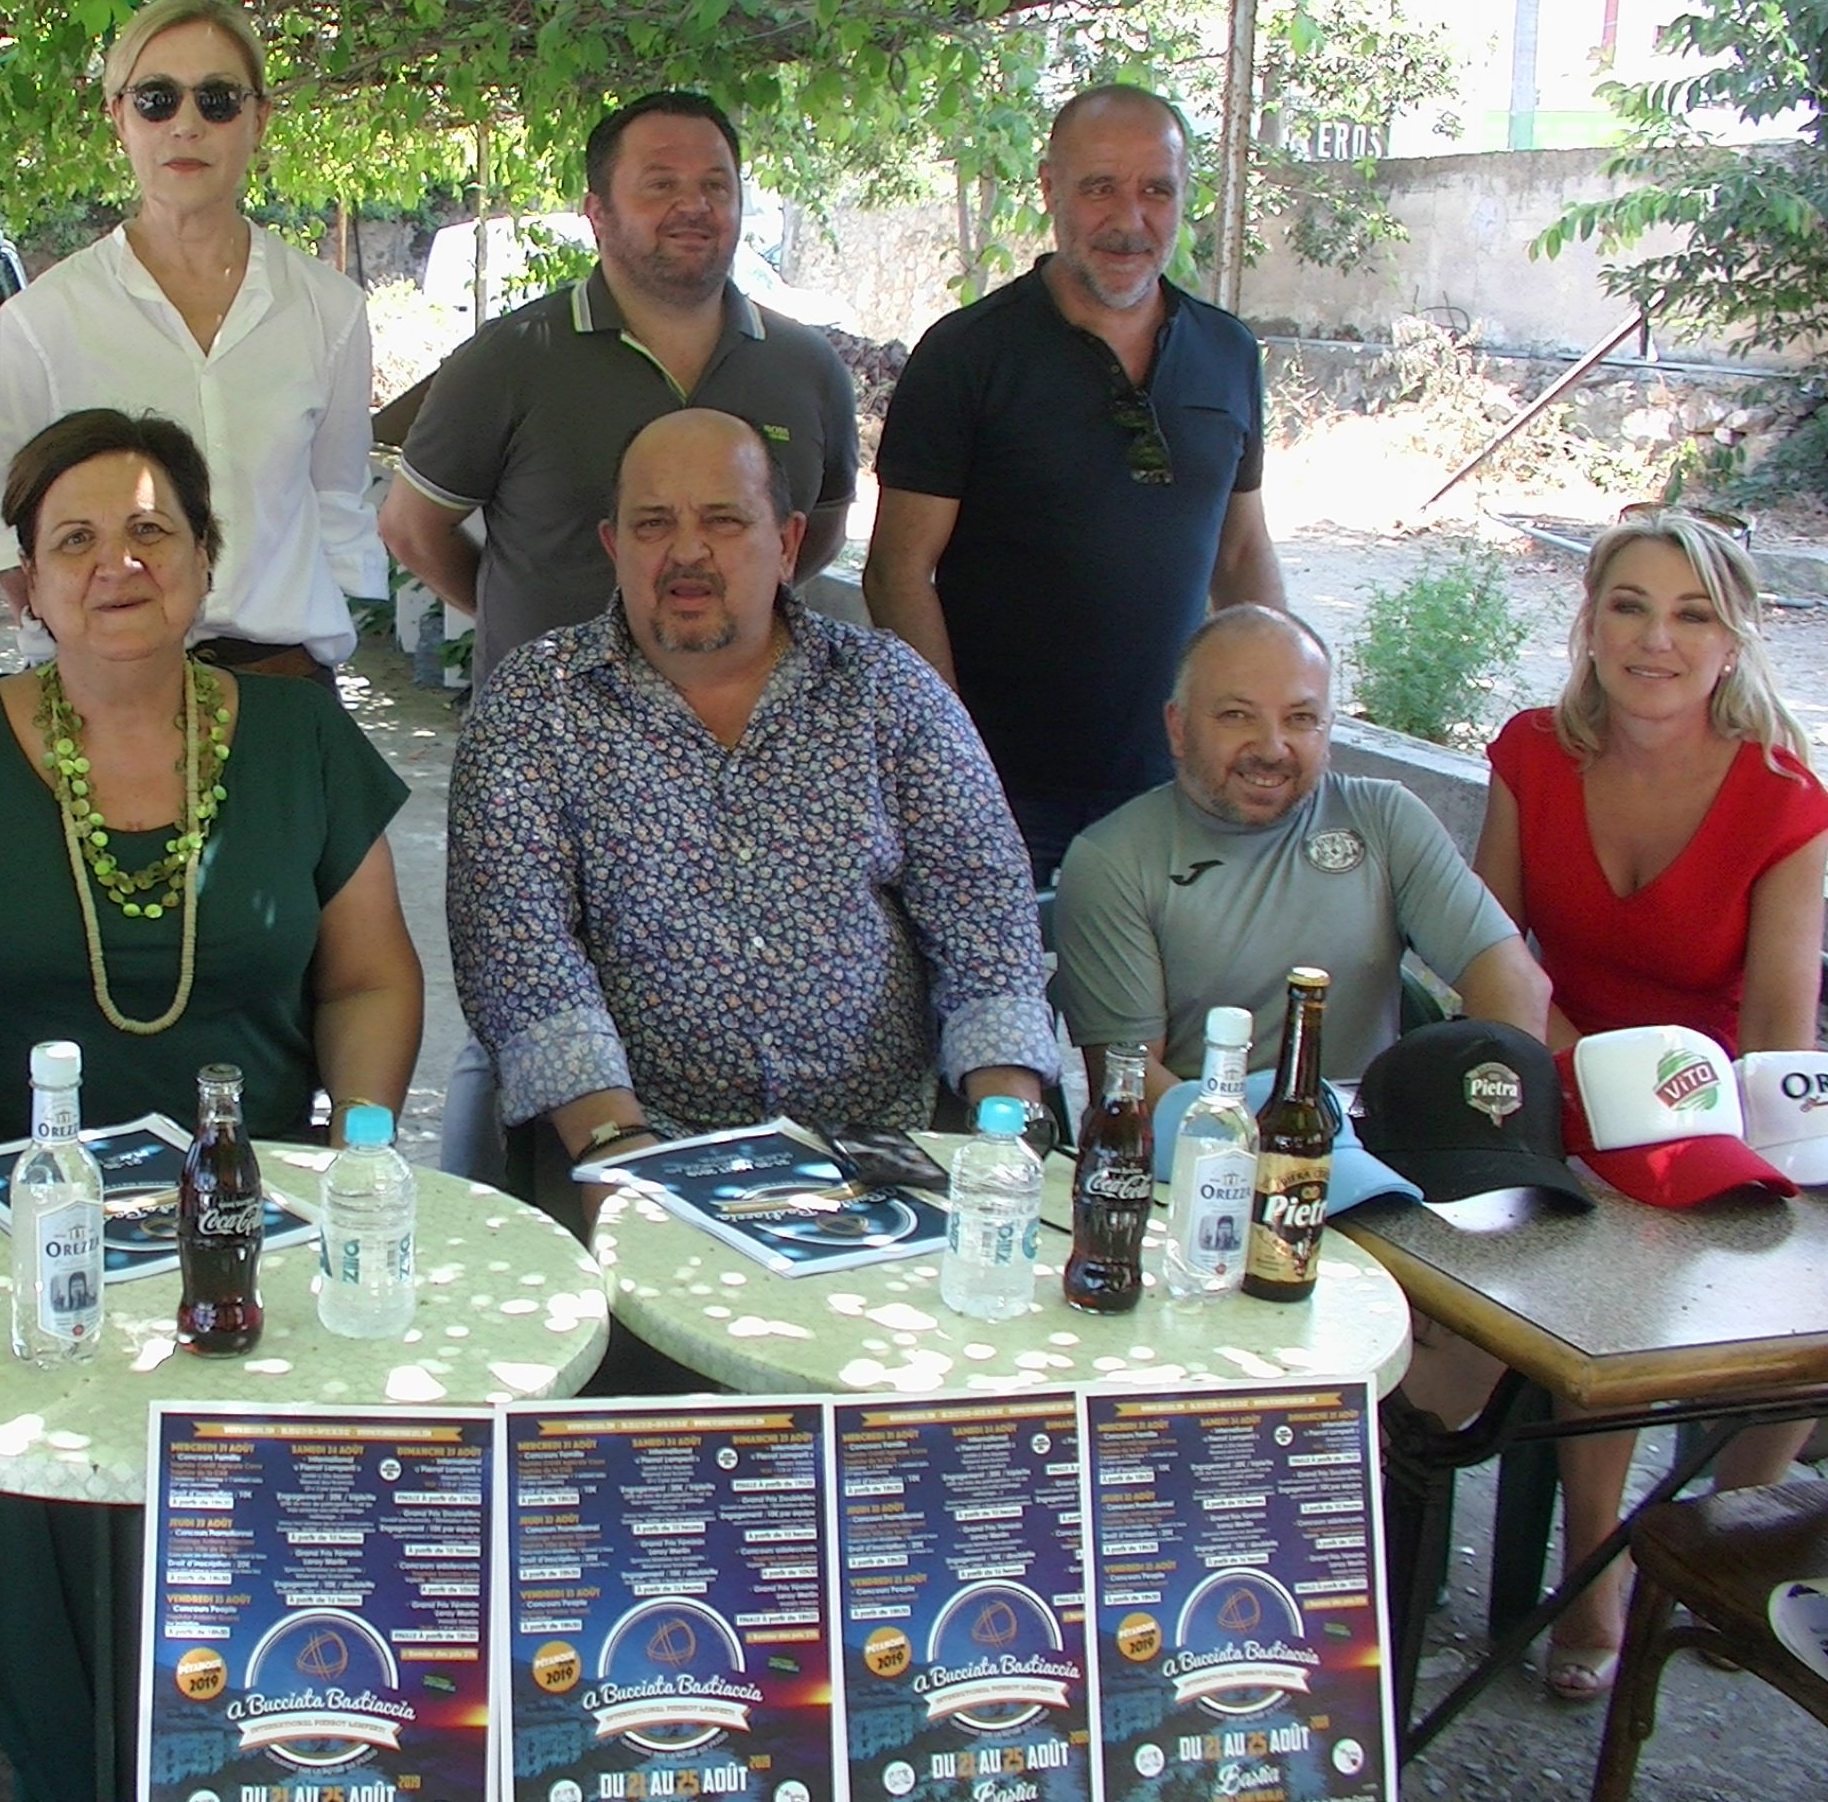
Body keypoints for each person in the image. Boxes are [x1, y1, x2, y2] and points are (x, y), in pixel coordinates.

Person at [0, 406, 421, 1802]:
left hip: (254, 1214)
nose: (116, 562)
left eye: (151, 530)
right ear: (24, 583)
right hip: (14, 1220)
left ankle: (282, 1736)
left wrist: (353, 1154)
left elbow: (370, 981)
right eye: (74, 538)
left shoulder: (303, 739)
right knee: (30, 1464)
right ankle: (94, 1766)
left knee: (344, 1426)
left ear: (207, 557)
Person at [446, 406, 1058, 1217]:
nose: (686, 552)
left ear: (789, 544)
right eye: (653, 524)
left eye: (724, 521)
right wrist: (621, 1163)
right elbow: (521, 960)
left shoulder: (887, 690)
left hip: (888, 1147)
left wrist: (1001, 1145)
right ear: (613, 547)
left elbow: (989, 923)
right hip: (641, 1145)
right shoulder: (535, 707)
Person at [1473, 510, 1828, 1702]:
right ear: (1588, 622)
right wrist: (1584, 1075)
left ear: (1731, 641)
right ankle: (1595, 1563)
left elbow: (1778, 1036)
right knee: (1601, 1272)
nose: (1654, 639)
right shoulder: (1528, 749)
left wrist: (1677, 1120)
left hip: (1708, 1102)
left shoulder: (1783, 799)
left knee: (1769, 1300)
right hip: (1555, 1077)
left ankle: (1719, 1531)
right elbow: (1485, 955)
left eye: (1689, 614)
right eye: (1627, 605)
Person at [863, 83, 1287, 882]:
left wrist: (1285, 714)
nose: (1130, 220)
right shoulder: (966, 356)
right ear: (1050, 190)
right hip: (1003, 794)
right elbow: (897, 571)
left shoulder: (1229, 354)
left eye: (1155, 189)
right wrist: (952, 763)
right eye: (1100, 187)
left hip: (1181, 786)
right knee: (1013, 1008)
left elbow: (1241, 552)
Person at [0, 0, 384, 685]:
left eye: (217, 100)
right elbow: (5, 525)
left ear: (258, 119)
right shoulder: (43, 323)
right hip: (103, 691)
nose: (186, 125)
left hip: (279, 686)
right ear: (118, 118)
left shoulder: (328, 311)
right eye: (157, 99)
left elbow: (336, 501)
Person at [379, 89, 861, 685]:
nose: (694, 205)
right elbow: (412, 528)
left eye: (716, 186)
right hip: (550, 743)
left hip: (745, 740)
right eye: (660, 185)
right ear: (597, 211)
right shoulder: (511, 358)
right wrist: (532, 627)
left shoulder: (808, 368)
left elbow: (819, 532)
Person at [1052, 604, 1552, 1094]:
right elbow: (1129, 1086)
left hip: (1376, 1147)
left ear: (1328, 728)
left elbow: (1514, 985)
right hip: (1206, 1151)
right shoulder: (1114, 860)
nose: (1271, 747)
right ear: (1178, 728)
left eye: (1300, 718)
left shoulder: (1384, 818)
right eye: (1237, 715)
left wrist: (1491, 1113)